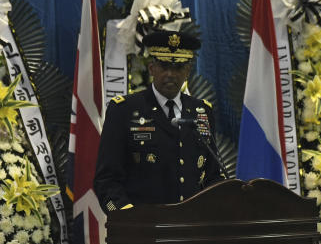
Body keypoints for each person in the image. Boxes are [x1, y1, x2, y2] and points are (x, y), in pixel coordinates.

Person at [94, 29, 224, 212]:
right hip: (144, 229)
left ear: (187, 71)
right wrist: (126, 217)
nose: (170, 74)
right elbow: (106, 180)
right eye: (164, 66)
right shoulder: (124, 110)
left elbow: (212, 176)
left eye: (178, 67)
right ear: (152, 68)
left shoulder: (201, 112)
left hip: (192, 228)